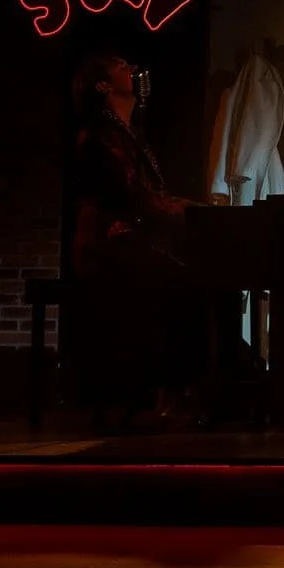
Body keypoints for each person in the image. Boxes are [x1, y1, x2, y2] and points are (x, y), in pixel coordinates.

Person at [68, 51, 202, 427]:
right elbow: (132, 198)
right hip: (107, 248)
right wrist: (189, 211)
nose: (133, 70)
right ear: (103, 86)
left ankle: (178, 391)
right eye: (121, 68)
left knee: (188, 276)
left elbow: (151, 194)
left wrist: (188, 207)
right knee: (181, 283)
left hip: (129, 243)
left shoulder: (131, 135)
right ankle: (164, 394)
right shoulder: (99, 136)